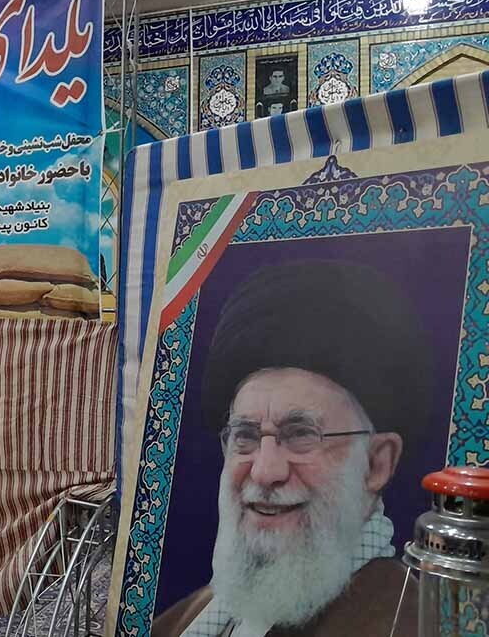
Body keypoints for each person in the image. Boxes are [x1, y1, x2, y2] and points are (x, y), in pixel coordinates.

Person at [153, 260, 428, 637]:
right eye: (245, 436)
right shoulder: (198, 613)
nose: (264, 471)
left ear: (376, 464)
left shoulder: (405, 621)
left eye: (301, 434)